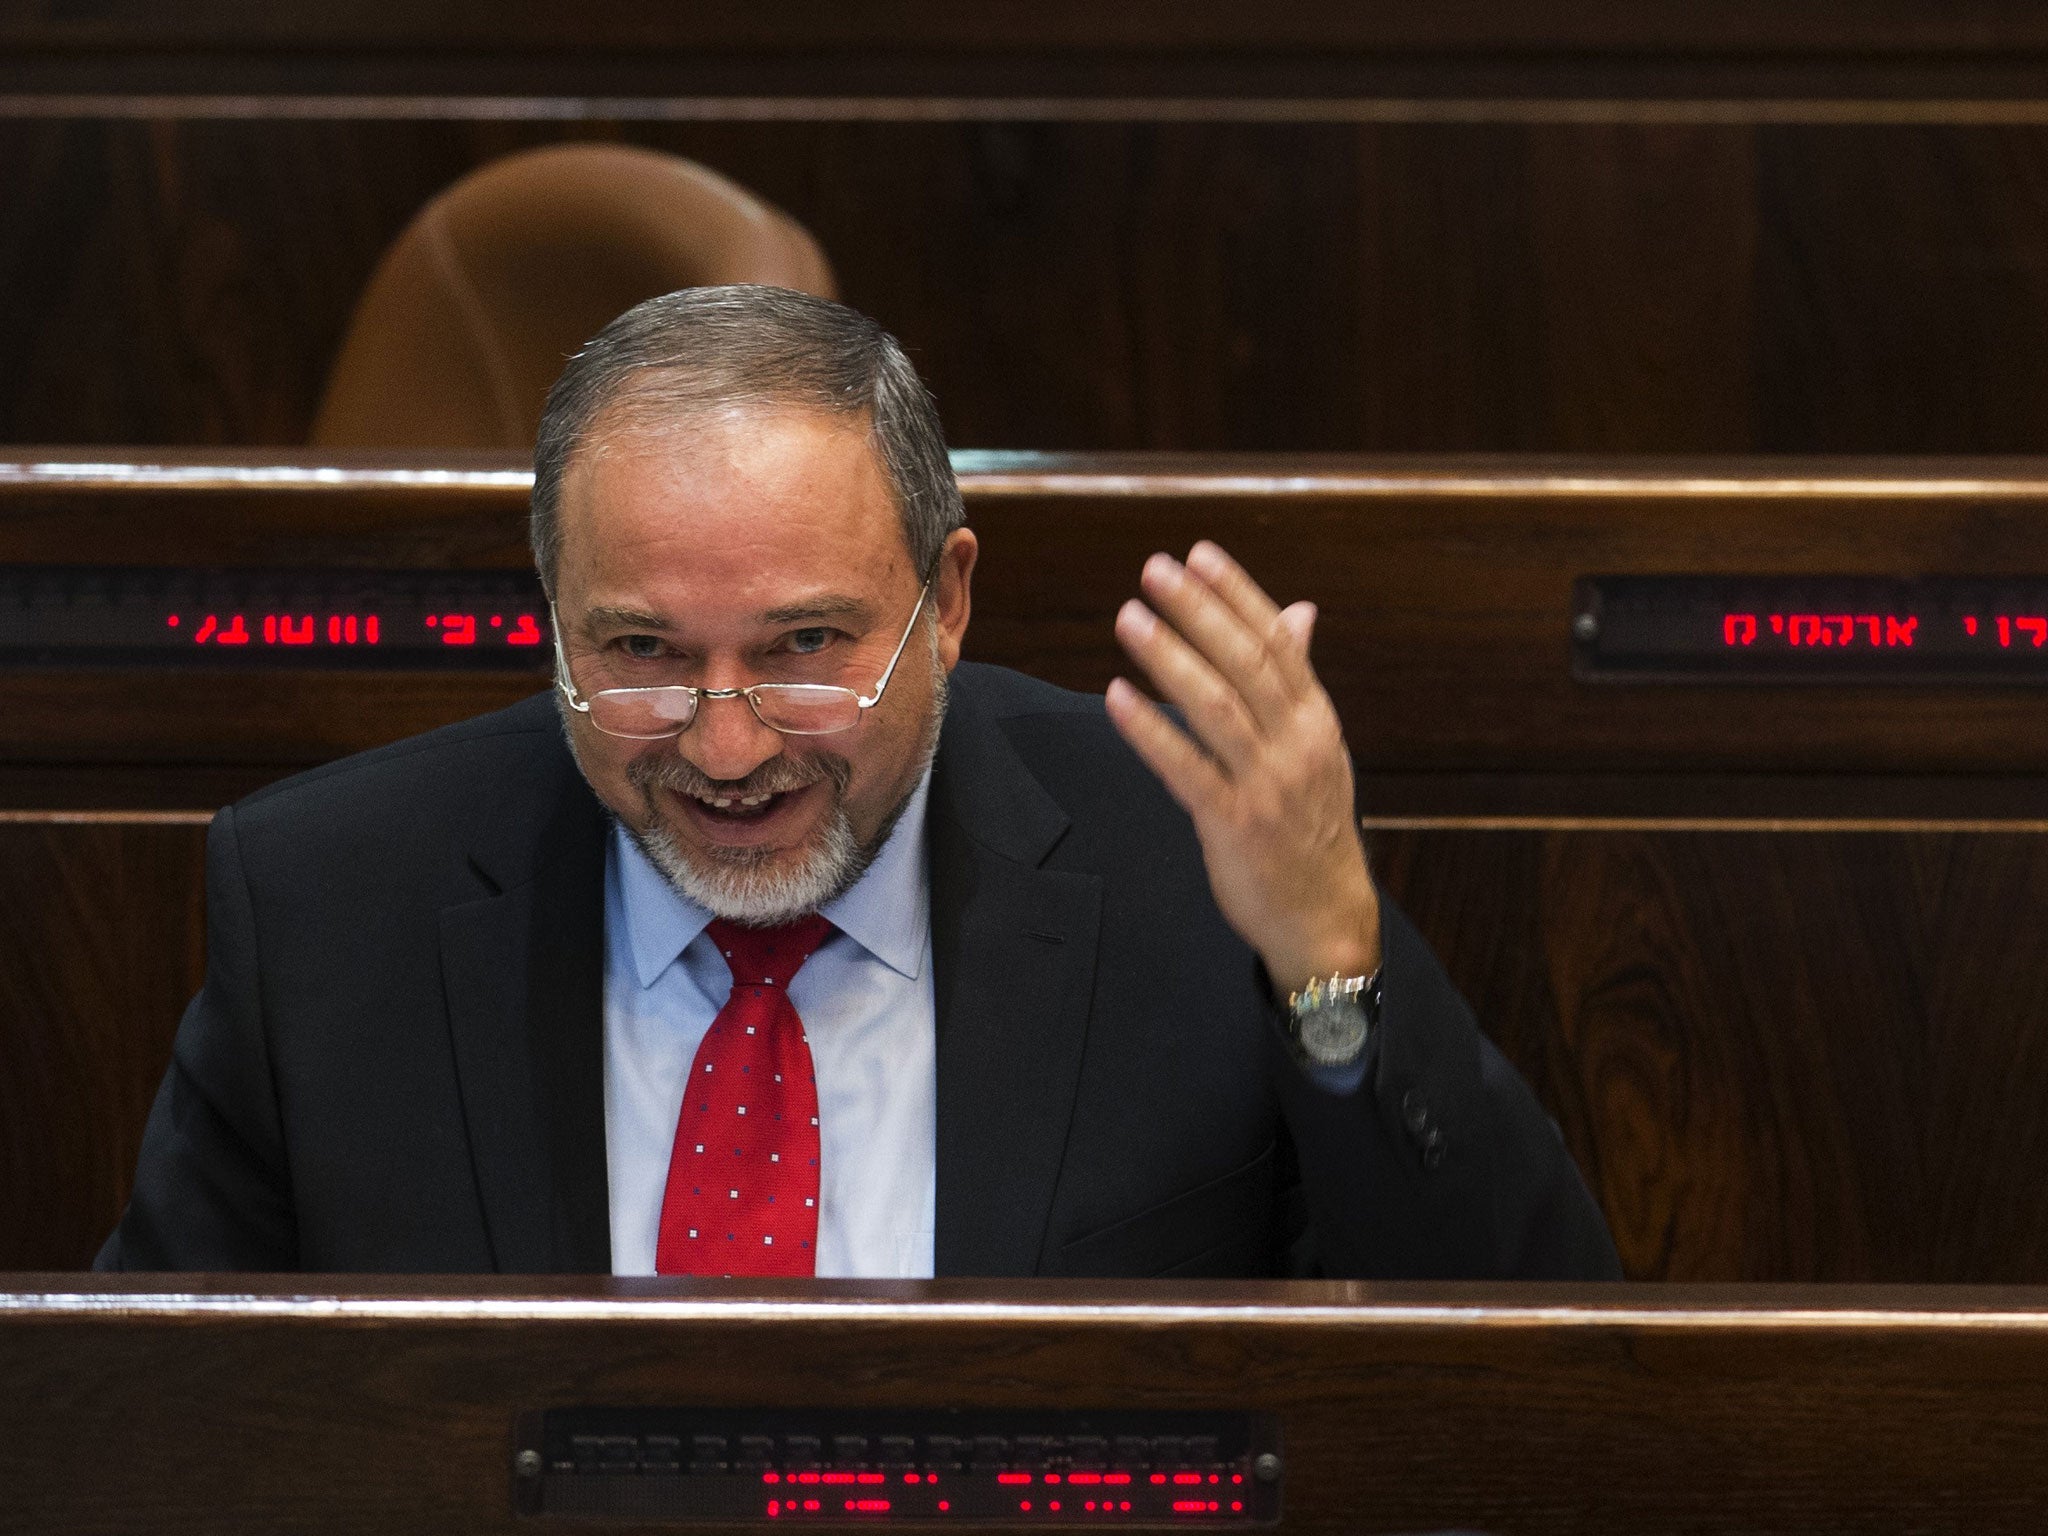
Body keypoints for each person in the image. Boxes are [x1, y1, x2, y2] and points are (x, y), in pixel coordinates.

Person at [99, 286, 1619, 1280]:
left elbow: (1533, 1360)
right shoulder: (327, 908)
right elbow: (156, 1434)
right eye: (640, 651)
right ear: (552, 613)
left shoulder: (1190, 861)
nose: (726, 743)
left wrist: (1325, 954)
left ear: (947, 604)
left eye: (805, 645)